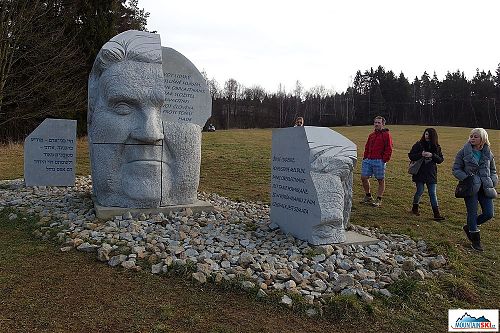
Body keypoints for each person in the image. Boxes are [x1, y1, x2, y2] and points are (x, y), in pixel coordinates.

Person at [452, 128, 497, 251]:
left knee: (489, 213)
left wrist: (493, 180)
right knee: (472, 212)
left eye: (475, 136)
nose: (472, 138)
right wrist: (467, 179)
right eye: (471, 136)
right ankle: (476, 241)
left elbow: (493, 170)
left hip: (485, 186)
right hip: (470, 187)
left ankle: (470, 227)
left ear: (482, 138)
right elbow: (456, 169)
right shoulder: (463, 152)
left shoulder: (488, 153)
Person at [408, 128, 445, 220]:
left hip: (431, 173)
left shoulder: (436, 147)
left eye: (429, 135)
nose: (426, 136)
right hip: (419, 172)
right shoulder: (418, 145)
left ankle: (436, 214)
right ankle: (415, 207)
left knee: (432, 193)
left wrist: (432, 155)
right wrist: (421, 154)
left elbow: (440, 160)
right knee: (420, 191)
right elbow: (411, 155)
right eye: (425, 134)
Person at [360, 116, 393, 207]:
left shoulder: (386, 135)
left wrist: (384, 160)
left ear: (383, 124)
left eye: (379, 123)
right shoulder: (371, 135)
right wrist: (365, 157)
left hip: (379, 161)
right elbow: (367, 147)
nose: (377, 124)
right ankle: (368, 196)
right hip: (368, 160)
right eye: (375, 122)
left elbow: (389, 148)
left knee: (380, 180)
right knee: (363, 177)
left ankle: (379, 199)